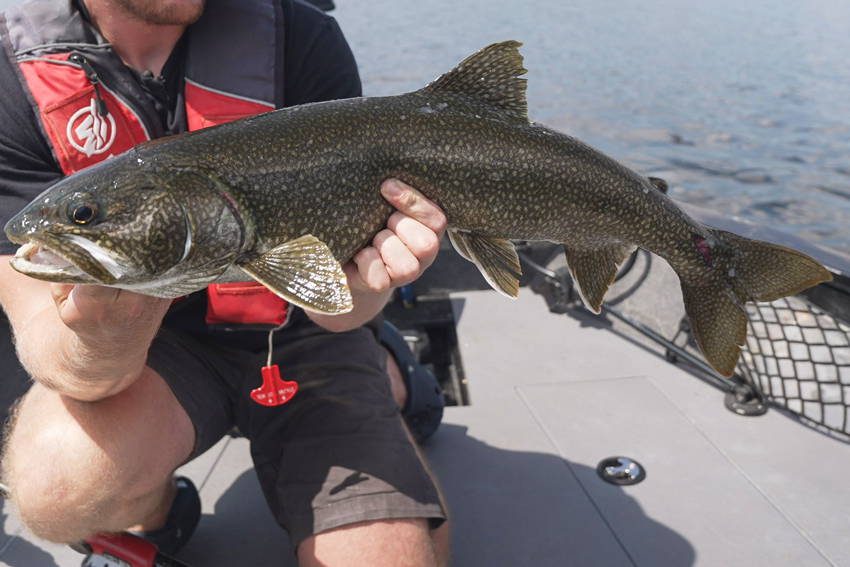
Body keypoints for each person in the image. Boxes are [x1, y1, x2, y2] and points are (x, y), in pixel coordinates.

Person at [0, 0, 450, 565]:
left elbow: (339, 312)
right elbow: (47, 341)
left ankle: (387, 365)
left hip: (306, 332)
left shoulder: (303, 36)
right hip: (166, 347)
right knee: (52, 491)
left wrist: (371, 286)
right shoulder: (9, 78)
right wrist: (104, 334)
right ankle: (157, 510)